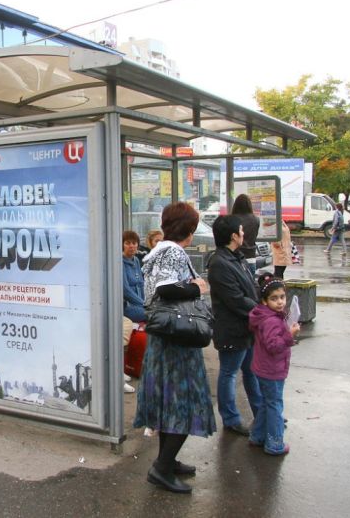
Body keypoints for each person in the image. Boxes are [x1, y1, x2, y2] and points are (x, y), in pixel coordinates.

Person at [134, 202, 216, 494]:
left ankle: (167, 461)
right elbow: (165, 289)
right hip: (177, 342)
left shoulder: (159, 250)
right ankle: (161, 468)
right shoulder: (173, 251)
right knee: (183, 403)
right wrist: (197, 287)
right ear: (189, 229)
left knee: (167, 403)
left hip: (165, 338)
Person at [207, 215, 262, 436]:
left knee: (252, 372)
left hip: (247, 327)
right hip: (232, 329)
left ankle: (262, 413)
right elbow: (236, 299)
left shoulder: (236, 258)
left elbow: (250, 288)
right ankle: (230, 419)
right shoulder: (219, 263)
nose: (243, 233)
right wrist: (261, 312)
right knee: (229, 373)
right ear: (233, 236)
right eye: (241, 230)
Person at [248, 273, 300, 455]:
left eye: (282, 297)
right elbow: (274, 346)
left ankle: (257, 436)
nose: (280, 302)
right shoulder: (271, 320)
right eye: (274, 298)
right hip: (272, 370)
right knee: (275, 406)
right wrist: (289, 335)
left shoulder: (267, 316)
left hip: (264, 368)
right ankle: (275, 443)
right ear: (264, 301)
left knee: (267, 402)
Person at [231, 194, 260, 277]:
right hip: (251, 257)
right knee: (249, 283)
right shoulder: (256, 219)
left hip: (235, 257)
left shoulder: (232, 219)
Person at [122, 230, 146, 323]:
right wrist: (144, 304)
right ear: (122, 245)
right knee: (153, 314)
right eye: (127, 243)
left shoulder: (136, 260)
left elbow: (141, 284)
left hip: (139, 304)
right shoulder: (119, 261)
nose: (131, 246)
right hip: (127, 306)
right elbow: (125, 290)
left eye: (134, 243)